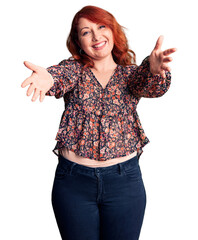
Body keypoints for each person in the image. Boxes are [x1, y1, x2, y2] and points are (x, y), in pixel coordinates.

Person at [21, 5, 176, 240]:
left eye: (101, 27)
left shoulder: (130, 75)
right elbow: (59, 77)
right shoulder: (73, 70)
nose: (95, 36)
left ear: (113, 31)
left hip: (125, 183)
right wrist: (49, 78)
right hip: (73, 184)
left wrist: (154, 70)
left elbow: (149, 84)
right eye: (85, 32)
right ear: (78, 42)